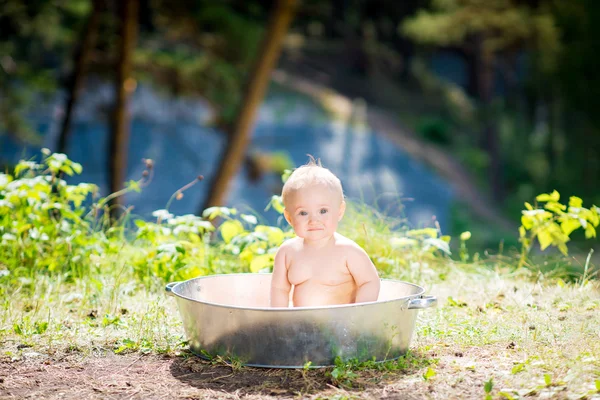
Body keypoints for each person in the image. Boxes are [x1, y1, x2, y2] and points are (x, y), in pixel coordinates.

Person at [270, 156, 381, 307]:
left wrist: (358, 315)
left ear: (339, 211)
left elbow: (370, 281)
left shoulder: (348, 251)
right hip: (301, 326)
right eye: (303, 213)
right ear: (289, 218)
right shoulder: (287, 253)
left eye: (323, 211)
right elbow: (279, 289)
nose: (314, 220)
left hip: (342, 325)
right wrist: (279, 322)